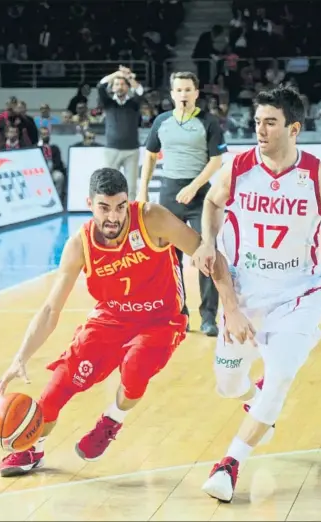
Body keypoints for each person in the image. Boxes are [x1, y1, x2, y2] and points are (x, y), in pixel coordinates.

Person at [192, 86, 321, 502]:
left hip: (299, 294)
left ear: (294, 128)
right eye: (257, 121)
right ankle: (258, 400)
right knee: (229, 386)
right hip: (244, 294)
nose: (259, 129)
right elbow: (211, 202)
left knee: (280, 376)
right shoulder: (239, 166)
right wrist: (208, 242)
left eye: (270, 122)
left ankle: (229, 463)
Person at [0, 168, 242, 478]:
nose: (114, 216)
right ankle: (33, 446)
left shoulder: (152, 219)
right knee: (56, 390)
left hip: (161, 320)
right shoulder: (79, 245)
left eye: (120, 206)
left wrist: (231, 308)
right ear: (89, 204)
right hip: (111, 318)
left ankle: (112, 419)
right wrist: (20, 357)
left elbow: (211, 257)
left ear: (128, 202)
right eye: (104, 207)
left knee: (135, 366)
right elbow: (49, 309)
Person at [139, 71, 227, 336]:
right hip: (169, 193)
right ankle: (179, 313)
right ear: (172, 94)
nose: (183, 95)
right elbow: (151, 156)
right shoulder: (161, 122)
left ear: (196, 93)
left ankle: (209, 316)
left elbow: (216, 161)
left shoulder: (209, 122)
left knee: (207, 252)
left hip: (201, 195)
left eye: (188, 90)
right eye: (179, 90)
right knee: (169, 259)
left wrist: (194, 187)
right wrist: (142, 192)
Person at [98, 65, 144, 200]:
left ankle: (130, 216)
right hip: (112, 149)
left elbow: (140, 91)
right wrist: (117, 73)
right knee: (109, 186)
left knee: (131, 187)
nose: (119, 86)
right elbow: (100, 86)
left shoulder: (133, 104)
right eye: (117, 84)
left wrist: (129, 77)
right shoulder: (108, 103)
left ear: (128, 87)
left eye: (123, 84)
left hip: (132, 151)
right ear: (112, 88)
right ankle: (110, 216)